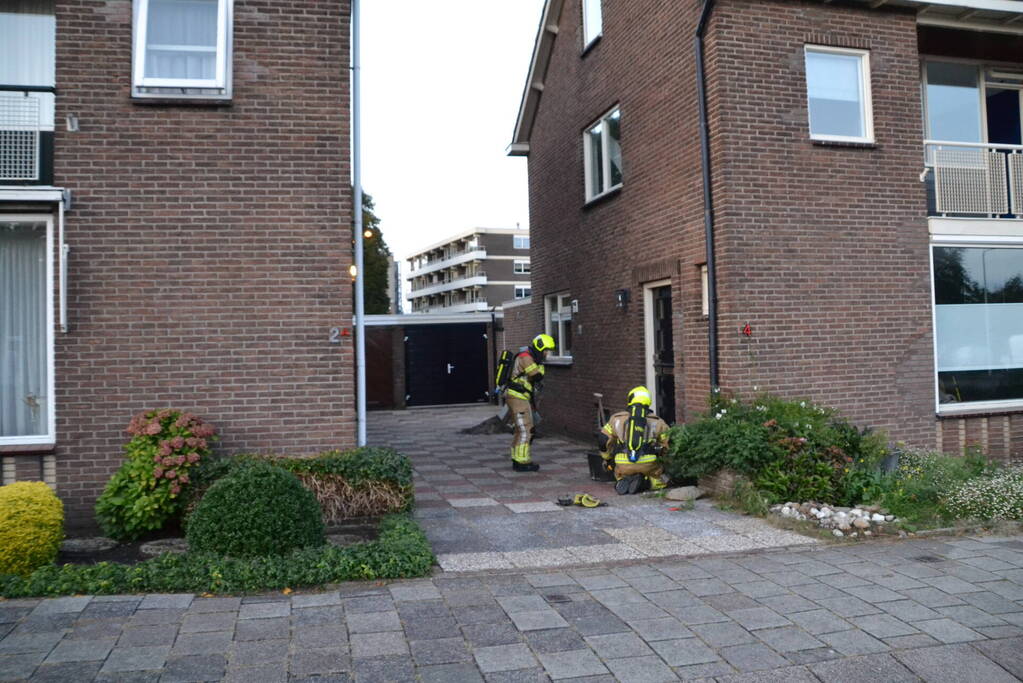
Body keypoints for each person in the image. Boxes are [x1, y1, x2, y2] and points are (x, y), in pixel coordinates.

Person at [598, 386, 670, 494]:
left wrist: (607, 459)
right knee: (662, 480)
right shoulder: (658, 422)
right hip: (648, 463)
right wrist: (664, 458)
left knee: (620, 471)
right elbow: (668, 444)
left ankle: (622, 479)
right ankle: (647, 482)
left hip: (623, 462)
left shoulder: (616, 418)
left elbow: (603, 440)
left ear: (630, 399)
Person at [504, 333, 555, 472]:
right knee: (526, 430)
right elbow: (537, 376)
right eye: (546, 350)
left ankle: (517, 459)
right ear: (540, 347)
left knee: (520, 431)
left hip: (520, 397)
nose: (546, 354)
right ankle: (522, 462)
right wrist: (541, 365)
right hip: (517, 398)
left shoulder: (529, 356)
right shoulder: (526, 357)